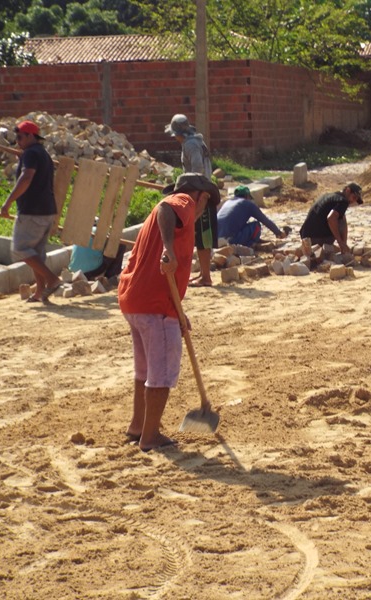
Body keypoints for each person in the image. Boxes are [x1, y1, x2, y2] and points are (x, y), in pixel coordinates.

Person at [117, 173, 220, 452]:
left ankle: (138, 426)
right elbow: (167, 208)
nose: (202, 212)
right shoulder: (182, 201)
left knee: (145, 368)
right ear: (202, 196)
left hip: (135, 299)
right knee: (160, 371)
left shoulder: (168, 214)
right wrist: (168, 248)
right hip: (153, 304)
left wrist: (178, 312)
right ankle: (150, 436)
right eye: (206, 205)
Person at [0, 120, 63, 303]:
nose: (17, 141)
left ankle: (52, 279)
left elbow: (26, 177)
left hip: (32, 212)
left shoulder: (30, 154)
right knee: (36, 252)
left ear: (30, 136)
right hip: (47, 210)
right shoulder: (43, 154)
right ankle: (40, 292)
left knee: (19, 249)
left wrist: (8, 202)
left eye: (20, 137)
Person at [165, 114, 217, 287]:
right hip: (201, 191)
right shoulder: (195, 142)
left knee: (202, 236)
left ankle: (206, 277)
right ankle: (204, 274)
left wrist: (197, 196)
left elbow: (198, 169)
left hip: (200, 193)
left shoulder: (191, 145)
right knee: (201, 236)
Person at [299, 182, 363, 255]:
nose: (353, 201)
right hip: (317, 239)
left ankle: (343, 248)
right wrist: (340, 242)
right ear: (348, 190)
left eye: (356, 200)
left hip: (306, 237)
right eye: (354, 197)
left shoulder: (328, 196)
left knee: (341, 216)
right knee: (340, 220)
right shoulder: (343, 201)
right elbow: (331, 218)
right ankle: (340, 248)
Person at [217, 185, 288, 246]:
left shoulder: (228, 202)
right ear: (247, 196)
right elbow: (265, 220)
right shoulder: (248, 204)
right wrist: (278, 233)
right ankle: (250, 244)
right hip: (231, 240)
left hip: (216, 239)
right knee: (256, 225)